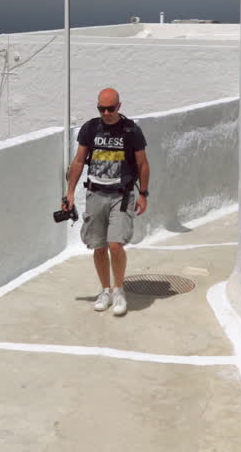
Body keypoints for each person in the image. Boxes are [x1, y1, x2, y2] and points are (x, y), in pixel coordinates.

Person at [66, 88, 150, 316]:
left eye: (110, 109)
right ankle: (105, 290)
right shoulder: (91, 128)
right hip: (95, 194)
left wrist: (143, 194)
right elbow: (78, 161)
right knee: (99, 246)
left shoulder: (130, 130)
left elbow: (142, 164)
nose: (106, 113)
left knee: (115, 244)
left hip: (121, 196)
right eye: (101, 109)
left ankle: (119, 290)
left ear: (119, 106)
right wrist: (70, 192)